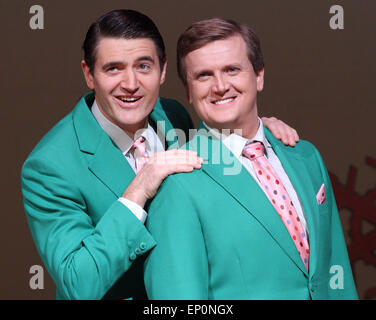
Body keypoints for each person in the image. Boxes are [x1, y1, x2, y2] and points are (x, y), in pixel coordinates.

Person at [21, 9, 299, 300]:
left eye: (143, 66)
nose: (130, 84)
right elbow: (78, 283)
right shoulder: (49, 166)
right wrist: (139, 189)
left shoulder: (173, 115)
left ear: (163, 70)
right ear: (89, 74)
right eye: (113, 68)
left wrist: (254, 132)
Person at [144, 17, 358, 299]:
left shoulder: (305, 157)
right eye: (204, 75)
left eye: (232, 69)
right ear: (189, 91)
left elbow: (335, 272)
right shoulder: (178, 183)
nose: (220, 86)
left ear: (259, 76)